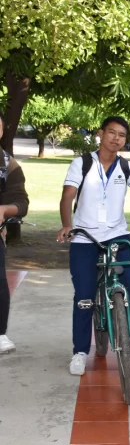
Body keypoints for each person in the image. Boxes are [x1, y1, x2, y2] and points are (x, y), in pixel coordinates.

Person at [57, 116, 130, 376]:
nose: (116, 139)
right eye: (112, 133)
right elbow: (67, 196)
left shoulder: (127, 167)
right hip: (85, 238)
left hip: (117, 237)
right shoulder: (81, 163)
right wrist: (67, 224)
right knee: (83, 297)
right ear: (100, 134)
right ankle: (80, 352)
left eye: (121, 135)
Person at [0, 113, 29, 353]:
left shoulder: (8, 163)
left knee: (0, 282)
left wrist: (4, 209)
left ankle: (0, 334)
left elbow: (21, 202)